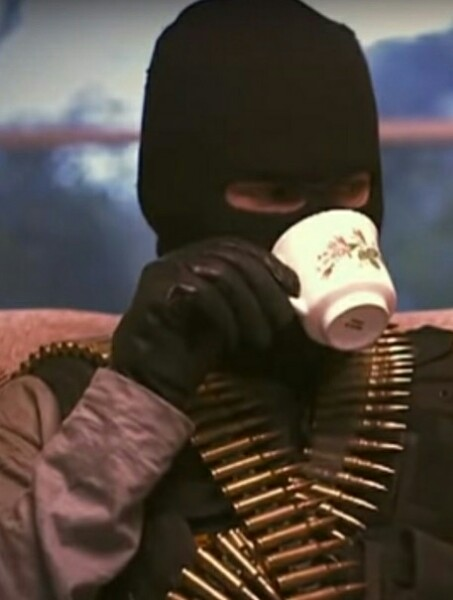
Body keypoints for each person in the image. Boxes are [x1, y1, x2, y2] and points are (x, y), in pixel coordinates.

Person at [1, 1, 453, 598]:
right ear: (180, 199)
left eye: (352, 190)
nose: (327, 224)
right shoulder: (51, 406)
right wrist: (135, 400)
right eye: (276, 193)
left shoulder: (438, 375)